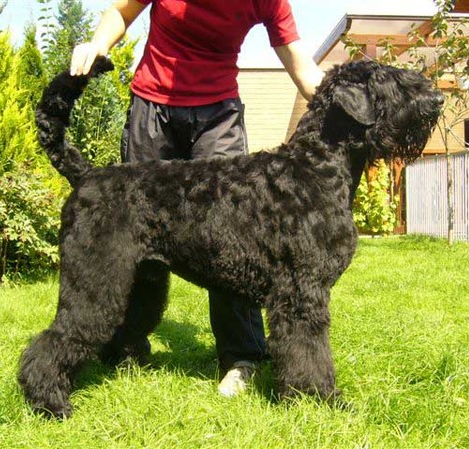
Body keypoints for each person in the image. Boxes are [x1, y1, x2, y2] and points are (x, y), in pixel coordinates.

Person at [70, 0, 324, 397]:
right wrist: (98, 44)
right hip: (152, 108)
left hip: (217, 115)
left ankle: (242, 357)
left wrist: (346, 102)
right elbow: (121, 12)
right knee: (135, 237)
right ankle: (127, 346)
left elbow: (302, 68)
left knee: (234, 240)